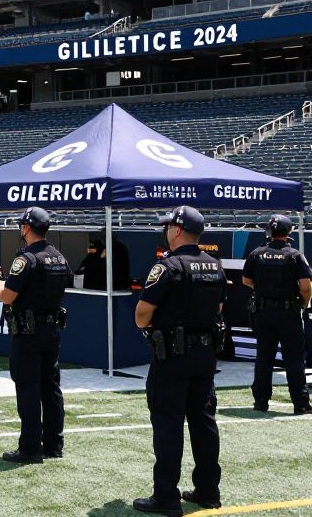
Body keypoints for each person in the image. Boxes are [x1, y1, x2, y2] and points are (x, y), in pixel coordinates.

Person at [133, 206, 226, 516]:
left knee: (169, 424)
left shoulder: (168, 267)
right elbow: (220, 307)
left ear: (176, 230)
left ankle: (166, 497)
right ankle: (208, 490)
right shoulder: (214, 265)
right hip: (205, 355)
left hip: (172, 356)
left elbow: (141, 315)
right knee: (203, 421)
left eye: (168, 227)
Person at [0, 206, 72, 464]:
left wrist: (1, 282)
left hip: (28, 332)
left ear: (26, 228)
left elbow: (7, 296)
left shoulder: (25, 259)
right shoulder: (59, 257)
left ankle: (29, 447)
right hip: (52, 330)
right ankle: (53, 444)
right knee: (51, 386)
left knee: (28, 385)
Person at [242, 214, 312, 413]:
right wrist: (303, 304)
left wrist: (264, 289)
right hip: (287, 312)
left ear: (270, 231)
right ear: (289, 232)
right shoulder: (294, 255)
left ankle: (260, 401)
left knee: (264, 357)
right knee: (293, 359)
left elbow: (246, 280)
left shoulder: (257, 253)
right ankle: (300, 403)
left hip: (263, 312)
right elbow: (306, 287)